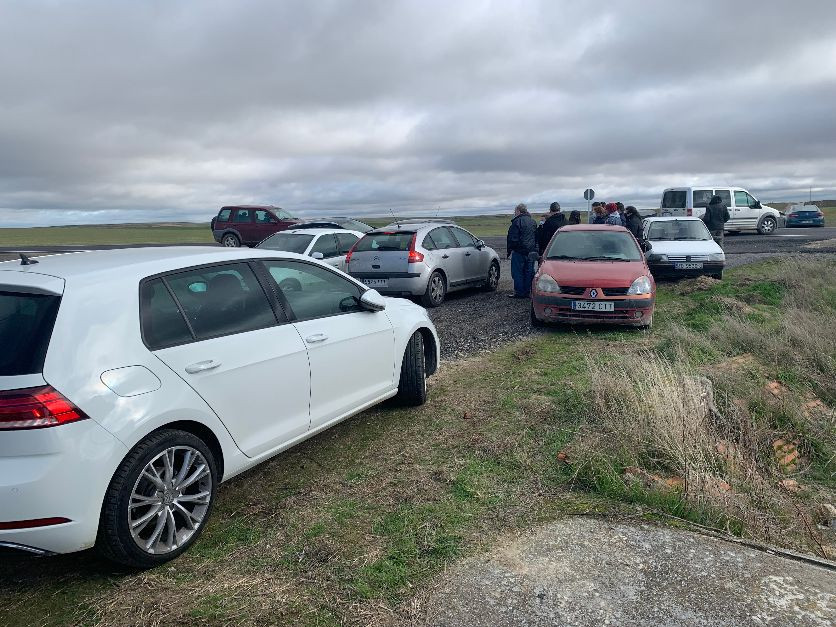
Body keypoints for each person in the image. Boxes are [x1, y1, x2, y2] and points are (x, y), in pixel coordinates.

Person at [506, 203, 538, 298]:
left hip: (519, 251)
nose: (514, 213)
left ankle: (519, 292)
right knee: (529, 272)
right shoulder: (532, 222)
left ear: (519, 211)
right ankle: (528, 291)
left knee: (518, 272)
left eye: (515, 211)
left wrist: (512, 249)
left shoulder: (516, 222)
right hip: (531, 252)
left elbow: (512, 238)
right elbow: (536, 237)